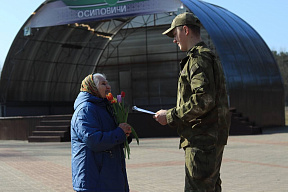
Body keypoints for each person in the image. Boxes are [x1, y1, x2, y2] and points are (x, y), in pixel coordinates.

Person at [154, 12, 231, 192]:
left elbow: (203, 99)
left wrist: (171, 115)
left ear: (185, 30)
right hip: (209, 138)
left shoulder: (198, 58)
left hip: (202, 139)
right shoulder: (206, 56)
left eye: (175, 35)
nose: (174, 40)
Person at [71, 73, 132, 192]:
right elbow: (93, 140)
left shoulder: (104, 107)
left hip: (108, 177)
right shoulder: (85, 110)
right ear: (91, 87)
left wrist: (125, 134)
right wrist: (119, 133)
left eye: (107, 83)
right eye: (103, 84)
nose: (108, 86)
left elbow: (112, 133)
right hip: (95, 179)